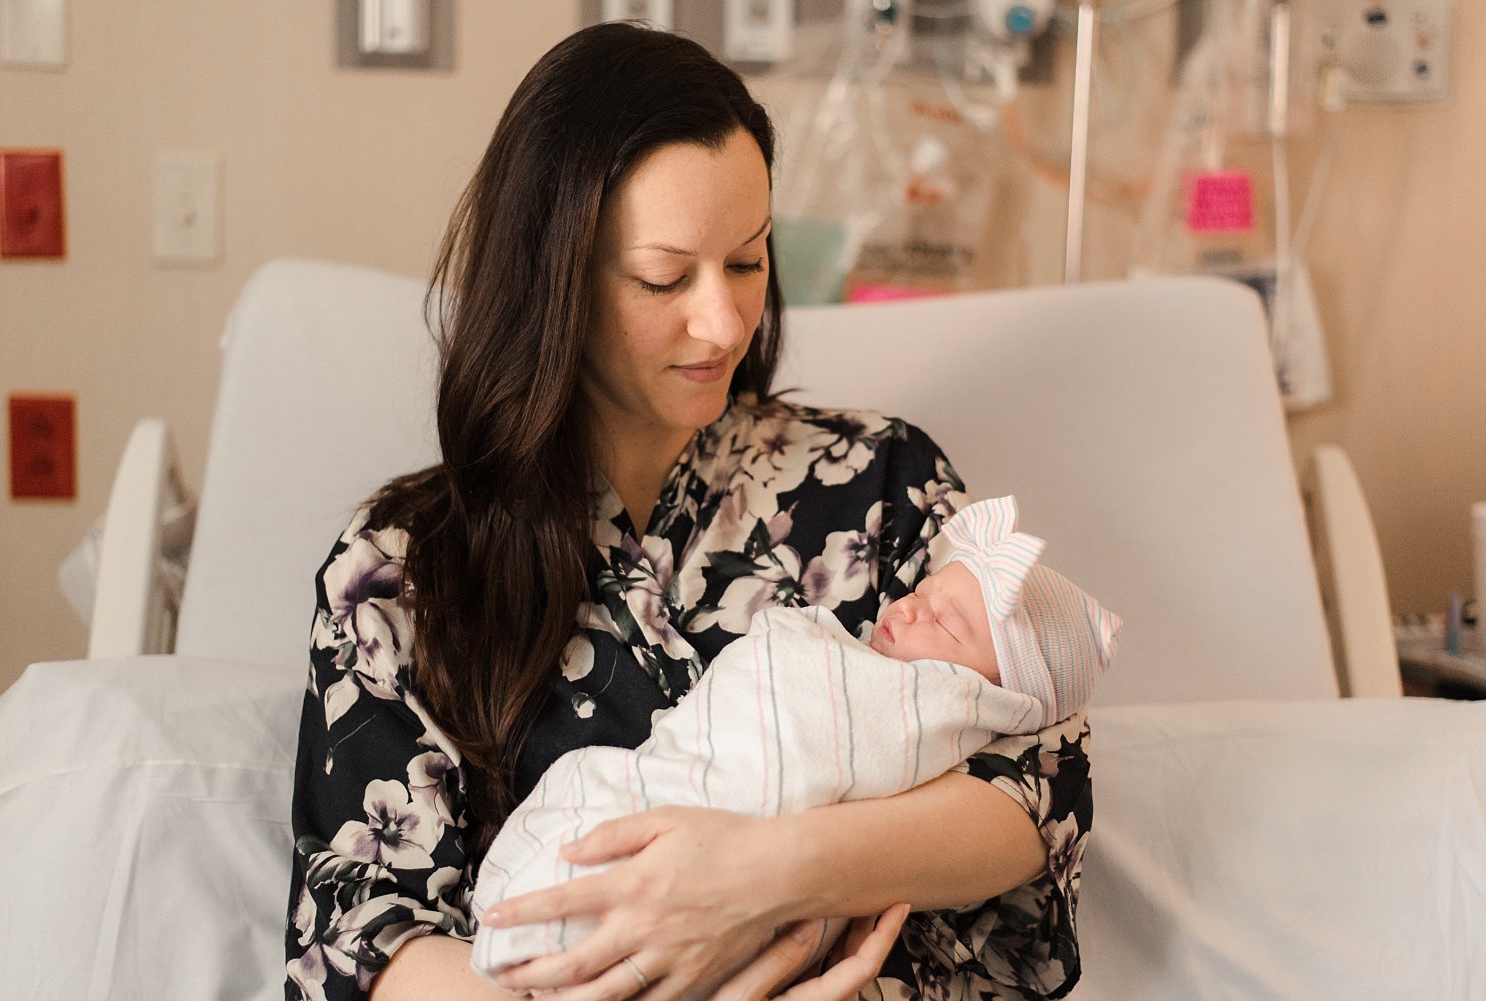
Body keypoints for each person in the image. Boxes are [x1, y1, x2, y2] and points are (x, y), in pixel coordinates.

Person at [286, 20, 1095, 1001]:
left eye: (748, 263)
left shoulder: (876, 481)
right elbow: (363, 929)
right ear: (556, 279)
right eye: (664, 277)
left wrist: (763, 874)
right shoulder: (403, 569)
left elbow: (1034, 787)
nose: (720, 323)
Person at [470, 495, 1121, 981]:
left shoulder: (892, 479)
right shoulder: (430, 549)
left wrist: (767, 870)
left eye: (946, 623)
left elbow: (1046, 779)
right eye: (923, 588)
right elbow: (377, 931)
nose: (911, 604)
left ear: (993, 695)